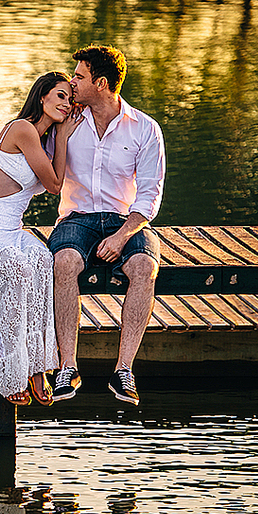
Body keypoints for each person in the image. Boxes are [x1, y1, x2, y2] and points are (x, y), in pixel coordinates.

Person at [0, 71, 81, 406]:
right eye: (60, 95)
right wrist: (63, 137)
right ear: (42, 96)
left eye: (70, 99)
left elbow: (5, 175)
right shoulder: (22, 128)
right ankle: (9, 372)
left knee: (41, 259)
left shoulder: (45, 141)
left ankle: (37, 367)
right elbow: (54, 185)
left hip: (10, 229)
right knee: (15, 266)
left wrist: (59, 137)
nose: (66, 104)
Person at [47, 45, 166, 405]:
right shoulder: (66, 121)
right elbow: (35, 166)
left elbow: (150, 194)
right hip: (76, 218)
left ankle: (124, 370)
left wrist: (122, 235)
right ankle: (67, 367)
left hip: (125, 221)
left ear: (100, 83)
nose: (72, 82)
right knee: (64, 262)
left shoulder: (144, 128)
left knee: (144, 266)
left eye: (79, 76)